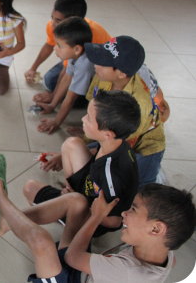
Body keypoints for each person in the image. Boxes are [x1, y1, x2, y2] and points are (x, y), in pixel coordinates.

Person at [0, 154, 195, 283]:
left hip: (72, 278)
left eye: (134, 210)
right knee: (76, 201)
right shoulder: (165, 250)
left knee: (42, 242)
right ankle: (4, 223)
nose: (124, 213)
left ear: (156, 229)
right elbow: (171, 260)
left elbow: (73, 258)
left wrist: (96, 216)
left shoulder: (128, 273)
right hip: (86, 272)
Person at [24, 89, 142, 236]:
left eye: (89, 118)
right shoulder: (116, 144)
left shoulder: (111, 176)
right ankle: (69, 195)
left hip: (92, 216)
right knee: (72, 144)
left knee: (30, 189)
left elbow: (114, 222)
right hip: (89, 188)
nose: (83, 119)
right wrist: (62, 157)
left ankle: (70, 216)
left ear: (107, 134)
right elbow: (94, 154)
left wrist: (76, 202)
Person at [84, 36, 165, 186]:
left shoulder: (140, 103)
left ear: (120, 73)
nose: (96, 64)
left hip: (143, 145)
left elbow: (121, 143)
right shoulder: (102, 77)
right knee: (84, 155)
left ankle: (154, 174)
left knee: (139, 188)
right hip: (114, 136)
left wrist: (95, 150)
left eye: (103, 62)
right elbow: (93, 107)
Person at [24, 0, 110, 92]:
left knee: (61, 87)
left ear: (72, 23)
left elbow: (68, 69)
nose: (53, 24)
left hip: (101, 68)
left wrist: (53, 97)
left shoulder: (89, 35)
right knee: (49, 81)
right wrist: (33, 68)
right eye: (52, 18)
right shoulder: (55, 26)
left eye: (58, 20)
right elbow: (49, 45)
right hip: (77, 60)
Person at [34, 17, 94, 133]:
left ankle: (90, 132)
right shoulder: (76, 55)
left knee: (99, 107)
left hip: (122, 89)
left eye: (59, 45)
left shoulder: (84, 65)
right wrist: (52, 105)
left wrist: (57, 122)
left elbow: (71, 98)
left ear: (76, 49)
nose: (55, 48)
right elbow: (67, 78)